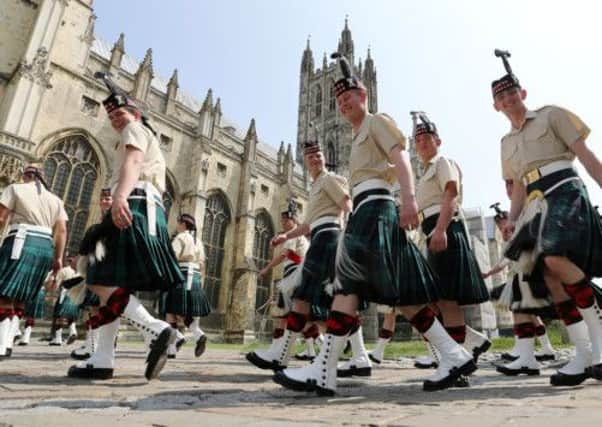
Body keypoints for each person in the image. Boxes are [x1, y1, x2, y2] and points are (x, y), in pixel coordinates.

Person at [273, 53, 475, 395]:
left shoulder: (377, 121)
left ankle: (323, 370)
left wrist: (409, 199)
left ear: (363, 95)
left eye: (348, 97)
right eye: (339, 100)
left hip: (377, 209)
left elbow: (399, 159)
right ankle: (454, 354)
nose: (343, 104)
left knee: (349, 286)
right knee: (388, 291)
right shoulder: (357, 136)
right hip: (367, 212)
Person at [492, 49, 602, 385]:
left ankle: (599, 335)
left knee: (555, 256)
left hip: (565, 189)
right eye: (501, 97)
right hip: (536, 204)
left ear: (522, 93)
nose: (508, 99)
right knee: (549, 274)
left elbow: (585, 155)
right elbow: (520, 186)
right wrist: (512, 219)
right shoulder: (506, 143)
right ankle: (583, 352)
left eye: (512, 92)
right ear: (496, 106)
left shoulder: (552, 114)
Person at [67, 73, 184, 380]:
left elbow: (133, 164)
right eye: (111, 116)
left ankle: (157, 329)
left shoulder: (135, 128)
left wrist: (120, 195)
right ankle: (103, 358)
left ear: (135, 113)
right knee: (114, 285)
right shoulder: (135, 131)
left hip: (135, 203)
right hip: (143, 204)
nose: (115, 119)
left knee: (97, 277)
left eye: (119, 113)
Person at [247, 138, 352, 373]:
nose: (315, 159)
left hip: (330, 238)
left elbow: (346, 203)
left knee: (332, 298)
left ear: (324, 159)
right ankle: (282, 354)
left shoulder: (329, 179)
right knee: (310, 298)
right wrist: (286, 236)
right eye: (310, 157)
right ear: (304, 162)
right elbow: (308, 224)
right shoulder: (315, 187)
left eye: (319, 155)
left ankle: (288, 354)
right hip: (320, 237)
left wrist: (346, 231)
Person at [413, 113, 492, 376]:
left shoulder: (442, 162)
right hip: (431, 229)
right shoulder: (424, 174)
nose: (422, 143)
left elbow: (451, 195)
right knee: (434, 302)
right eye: (418, 139)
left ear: (438, 140)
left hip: (443, 227)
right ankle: (470, 344)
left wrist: (441, 229)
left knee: (447, 301)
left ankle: (457, 360)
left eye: (427, 138)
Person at [0, 164, 68, 358]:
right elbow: (62, 231)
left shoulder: (15, 188)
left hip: (21, 241)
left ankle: (1, 344)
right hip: (45, 247)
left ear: (25, 175)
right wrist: (58, 258)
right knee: (21, 297)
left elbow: (1, 218)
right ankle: (9, 340)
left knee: (4, 293)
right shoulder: (56, 200)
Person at [163, 213, 211, 358]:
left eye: (178, 223)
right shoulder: (198, 241)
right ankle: (197, 335)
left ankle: (173, 347)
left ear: (183, 224)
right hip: (195, 276)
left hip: (181, 275)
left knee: (170, 310)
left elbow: (172, 257)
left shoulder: (181, 237)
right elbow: (202, 263)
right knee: (182, 312)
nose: (177, 226)